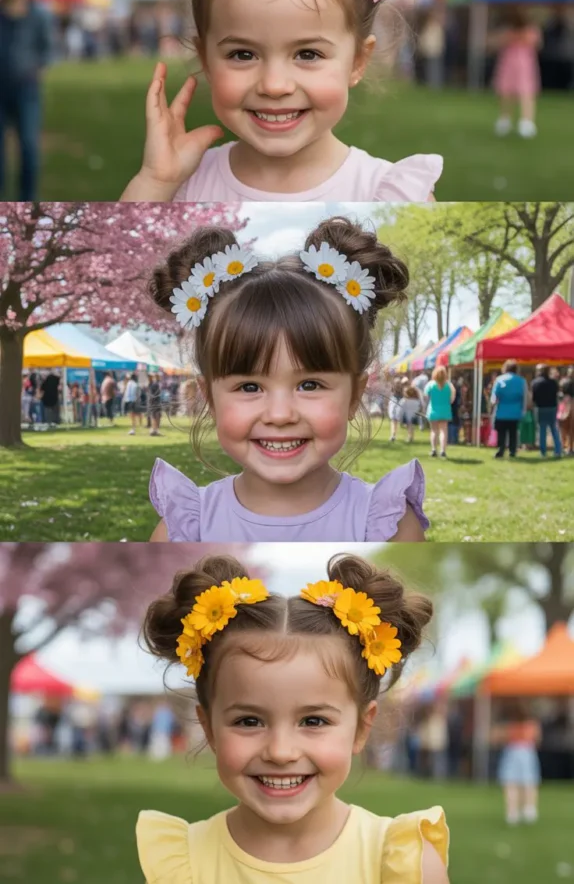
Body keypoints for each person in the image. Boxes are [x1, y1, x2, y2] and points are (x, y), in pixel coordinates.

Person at [120, 0, 443, 206]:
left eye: (308, 54)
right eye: (243, 54)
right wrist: (157, 180)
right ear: (205, 59)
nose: (274, 85)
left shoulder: (388, 195)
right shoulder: (181, 186)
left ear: (357, 61)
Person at [136, 552, 450, 883]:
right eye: (249, 721)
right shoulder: (183, 864)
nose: (281, 752)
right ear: (209, 728)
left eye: (313, 721)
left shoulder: (403, 863)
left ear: (361, 727)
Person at [147, 217, 429, 543]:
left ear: (355, 395)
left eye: (310, 385)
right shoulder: (183, 530)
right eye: (249, 387)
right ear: (209, 397)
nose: (280, 415)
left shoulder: (386, 527)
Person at [0, 0, 55, 201]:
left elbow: (48, 51)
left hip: (27, 90)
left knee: (29, 147)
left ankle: (26, 199)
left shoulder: (39, 15)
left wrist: (36, 71)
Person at [491, 7, 542, 139]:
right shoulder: (507, 30)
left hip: (524, 64)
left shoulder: (531, 30)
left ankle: (526, 121)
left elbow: (536, 43)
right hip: (508, 63)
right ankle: (505, 119)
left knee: (526, 92)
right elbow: (498, 42)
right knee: (506, 91)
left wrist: (520, 36)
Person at [496, 701, 541, 825]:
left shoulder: (512, 725)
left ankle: (514, 811)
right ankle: (528, 808)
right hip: (526, 751)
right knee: (527, 782)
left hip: (515, 751)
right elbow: (537, 738)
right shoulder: (531, 724)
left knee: (513, 782)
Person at [490, 359, 528, 459]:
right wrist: (523, 410)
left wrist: (492, 406)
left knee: (501, 432)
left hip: (501, 411)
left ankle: (501, 449)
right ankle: (512, 450)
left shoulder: (499, 380)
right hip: (515, 412)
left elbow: (494, 397)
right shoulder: (522, 381)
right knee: (513, 432)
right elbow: (524, 397)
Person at [531, 364, 562, 459]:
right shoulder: (553, 382)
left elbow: (534, 397)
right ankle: (558, 450)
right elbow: (556, 394)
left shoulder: (535, 382)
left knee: (542, 430)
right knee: (554, 429)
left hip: (541, 408)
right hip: (552, 407)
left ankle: (543, 451)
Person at [424, 367, 455, 459]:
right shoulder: (449, 385)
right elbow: (452, 399)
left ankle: (434, 450)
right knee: (443, 431)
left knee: (434, 431)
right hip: (445, 411)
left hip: (433, 410)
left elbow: (425, 396)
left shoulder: (430, 384)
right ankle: (443, 451)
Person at [558, 366, 574, 456]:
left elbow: (560, 393)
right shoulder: (564, 381)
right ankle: (568, 447)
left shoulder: (563, 381)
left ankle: (565, 446)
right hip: (566, 405)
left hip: (564, 404)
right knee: (567, 427)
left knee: (564, 427)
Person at [387, 377, 404, 442]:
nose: (398, 384)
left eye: (399, 383)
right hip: (393, 401)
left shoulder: (402, 389)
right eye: (396, 383)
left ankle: (394, 435)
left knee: (397, 420)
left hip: (400, 402)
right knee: (393, 419)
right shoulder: (392, 389)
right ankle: (393, 435)